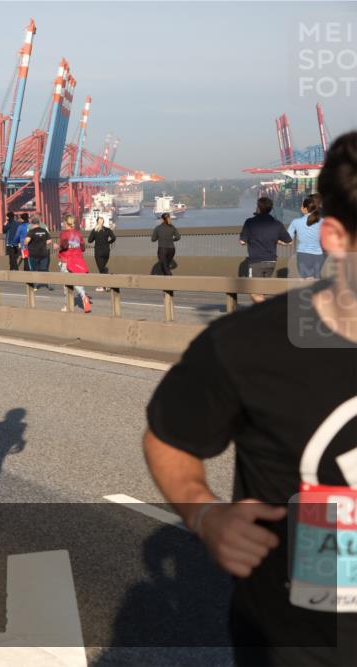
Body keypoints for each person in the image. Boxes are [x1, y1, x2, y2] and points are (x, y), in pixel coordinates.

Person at [142, 131, 357, 667]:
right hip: (301, 642)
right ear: (334, 236)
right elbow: (168, 438)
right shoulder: (248, 346)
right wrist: (204, 515)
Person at [240, 197, 293, 303]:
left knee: (254, 292)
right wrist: (278, 241)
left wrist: (249, 239)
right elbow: (289, 242)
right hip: (271, 262)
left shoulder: (250, 222)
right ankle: (262, 311)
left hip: (256, 262)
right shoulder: (277, 224)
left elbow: (242, 242)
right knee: (261, 290)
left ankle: (269, 309)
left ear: (258, 208)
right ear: (271, 208)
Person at [55, 214, 92, 313]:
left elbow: (64, 245)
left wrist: (57, 246)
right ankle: (84, 296)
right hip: (77, 261)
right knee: (77, 281)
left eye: (64, 222)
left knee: (66, 285)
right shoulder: (78, 233)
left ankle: (67, 305)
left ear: (66, 223)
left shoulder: (64, 233)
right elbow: (83, 248)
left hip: (66, 261)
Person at [287, 195, 324, 279]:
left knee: (305, 280)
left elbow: (288, 239)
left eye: (302, 206)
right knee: (316, 279)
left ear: (305, 209)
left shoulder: (295, 222)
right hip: (318, 255)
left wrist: (278, 241)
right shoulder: (322, 221)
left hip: (303, 255)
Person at [22, 216, 52, 290]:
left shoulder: (31, 231)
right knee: (44, 269)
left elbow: (26, 241)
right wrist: (42, 243)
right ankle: (46, 284)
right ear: (39, 223)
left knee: (33, 269)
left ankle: (35, 285)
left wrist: (25, 243)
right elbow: (49, 241)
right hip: (44, 253)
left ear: (32, 224)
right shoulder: (44, 231)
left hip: (33, 253)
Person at [87, 216, 116, 290]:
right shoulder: (108, 230)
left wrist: (94, 234)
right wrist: (109, 242)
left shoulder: (95, 230)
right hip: (106, 252)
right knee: (102, 268)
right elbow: (114, 238)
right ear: (103, 222)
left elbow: (89, 240)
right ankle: (105, 285)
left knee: (102, 269)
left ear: (97, 222)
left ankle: (104, 286)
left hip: (98, 252)